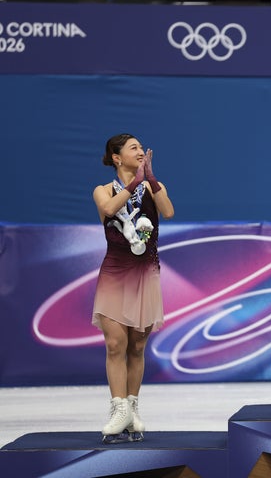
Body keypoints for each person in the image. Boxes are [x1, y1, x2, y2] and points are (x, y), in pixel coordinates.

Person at [92, 133, 174, 443]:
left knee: (137, 346)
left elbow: (167, 212)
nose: (140, 151)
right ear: (116, 157)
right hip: (114, 274)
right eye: (133, 148)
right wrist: (132, 184)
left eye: (141, 147)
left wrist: (149, 180)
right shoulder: (103, 190)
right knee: (115, 344)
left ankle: (133, 407)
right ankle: (118, 409)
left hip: (146, 274)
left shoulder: (153, 186)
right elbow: (109, 209)